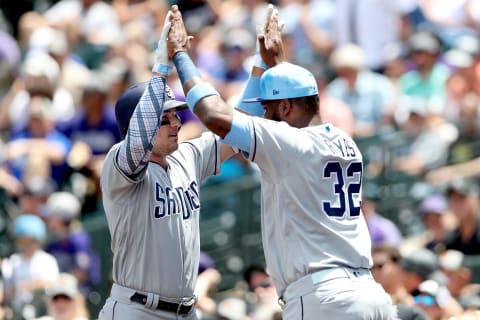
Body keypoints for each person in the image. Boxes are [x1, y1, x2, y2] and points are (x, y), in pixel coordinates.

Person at [166, 4, 394, 319]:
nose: (264, 115)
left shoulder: (290, 143)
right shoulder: (344, 141)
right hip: (370, 293)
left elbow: (214, 115)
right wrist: (274, 63)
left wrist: (180, 55)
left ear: (286, 106)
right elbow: (289, 111)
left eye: (269, 108)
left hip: (325, 297)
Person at [97, 14, 235, 320]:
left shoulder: (187, 156)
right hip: (136, 309)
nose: (175, 123)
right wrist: (161, 66)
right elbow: (139, 142)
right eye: (164, 118)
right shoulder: (119, 163)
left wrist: (260, 69)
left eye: (175, 116)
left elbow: (238, 129)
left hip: (187, 311)